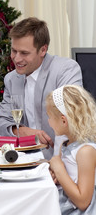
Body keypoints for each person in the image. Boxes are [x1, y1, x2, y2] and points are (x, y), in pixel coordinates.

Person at [0, 17, 83, 159]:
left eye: (24, 53)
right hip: (25, 162)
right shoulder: (11, 79)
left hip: (63, 163)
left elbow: (71, 122)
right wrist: (21, 131)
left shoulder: (66, 70)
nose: (16, 59)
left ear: (43, 50)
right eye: (14, 51)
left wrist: (57, 167)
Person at [47, 85, 96, 214]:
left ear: (64, 121)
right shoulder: (67, 144)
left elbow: (83, 202)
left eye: (50, 117)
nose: (48, 122)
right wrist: (55, 173)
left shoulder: (86, 151)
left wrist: (59, 169)